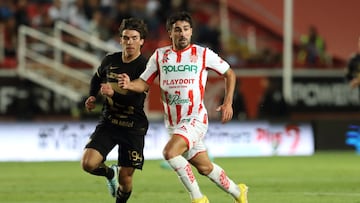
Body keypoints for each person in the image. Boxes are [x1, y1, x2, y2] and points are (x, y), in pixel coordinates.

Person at [118, 11, 248, 203]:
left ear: (191, 32)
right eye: (177, 30)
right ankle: (239, 192)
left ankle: (198, 199)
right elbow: (143, 83)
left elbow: (229, 74)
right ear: (170, 32)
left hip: (195, 118)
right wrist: (129, 85)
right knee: (205, 168)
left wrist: (228, 102)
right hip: (173, 123)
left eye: (186, 29)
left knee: (169, 153)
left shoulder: (203, 54)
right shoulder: (160, 56)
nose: (182, 33)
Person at [81, 18, 149, 203]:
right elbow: (96, 78)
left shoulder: (145, 67)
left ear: (142, 40)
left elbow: (136, 99)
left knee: (125, 180)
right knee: (88, 164)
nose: (130, 42)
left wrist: (114, 94)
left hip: (133, 127)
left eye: (134, 38)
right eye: (126, 38)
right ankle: (109, 172)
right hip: (109, 123)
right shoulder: (110, 60)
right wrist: (92, 96)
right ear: (120, 40)